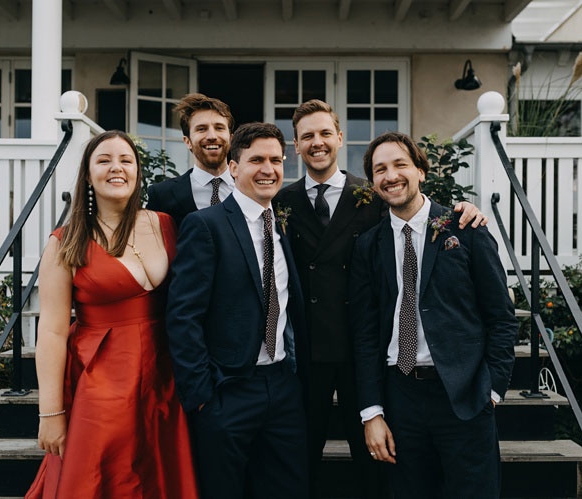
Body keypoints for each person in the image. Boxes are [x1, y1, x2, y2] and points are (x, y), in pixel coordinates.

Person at [274, 100, 486, 498]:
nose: (317, 142)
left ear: (339, 138)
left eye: (324, 133)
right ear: (296, 146)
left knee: (377, 462)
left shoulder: (371, 194)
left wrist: (465, 211)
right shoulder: (283, 202)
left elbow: (416, 216)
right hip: (308, 350)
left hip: (361, 349)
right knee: (299, 458)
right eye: (307, 136)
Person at [26, 130, 199, 498]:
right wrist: (50, 412)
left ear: (138, 171)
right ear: (88, 175)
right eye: (103, 160)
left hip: (165, 375)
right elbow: (53, 333)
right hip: (98, 381)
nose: (116, 168)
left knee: (159, 476)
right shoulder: (65, 241)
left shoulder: (166, 224)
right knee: (100, 477)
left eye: (126, 160)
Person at [348, 131, 518, 498]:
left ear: (421, 171)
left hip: (463, 394)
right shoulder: (369, 245)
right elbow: (364, 332)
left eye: (399, 165)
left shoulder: (466, 228)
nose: (390, 175)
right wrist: (371, 412)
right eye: (380, 169)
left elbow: (502, 317)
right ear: (373, 181)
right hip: (400, 396)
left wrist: (493, 390)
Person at [166, 122, 310, 498]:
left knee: (287, 488)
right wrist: (202, 396)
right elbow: (183, 316)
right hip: (227, 389)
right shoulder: (205, 225)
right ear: (233, 167)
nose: (268, 169)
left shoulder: (281, 224)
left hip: (282, 386)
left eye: (276, 160)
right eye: (257, 160)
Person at [147, 93, 235, 227]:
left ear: (231, 138)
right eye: (201, 129)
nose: (212, 136)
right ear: (187, 141)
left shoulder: (250, 189)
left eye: (219, 128)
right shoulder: (161, 195)